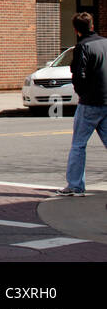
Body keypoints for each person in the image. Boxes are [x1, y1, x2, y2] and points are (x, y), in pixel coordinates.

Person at [56, 11, 107, 195]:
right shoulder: (105, 43)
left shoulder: (82, 48)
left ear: (76, 30)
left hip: (90, 103)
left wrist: (82, 93)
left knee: (79, 145)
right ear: (92, 26)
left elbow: (79, 75)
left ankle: (75, 185)